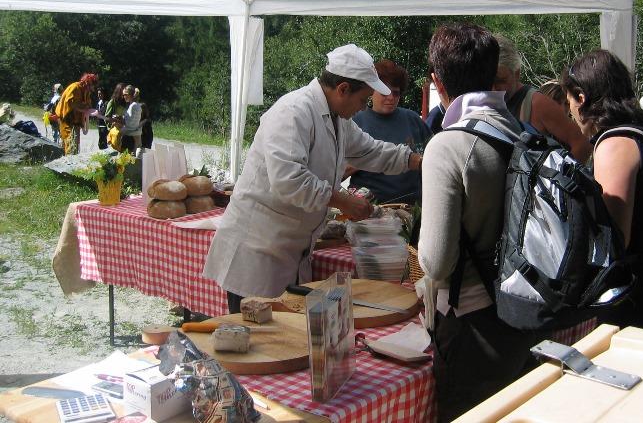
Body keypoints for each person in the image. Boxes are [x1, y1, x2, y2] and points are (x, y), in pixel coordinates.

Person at [203, 44, 423, 313]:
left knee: (285, 339)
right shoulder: (293, 111)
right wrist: (342, 201)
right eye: (363, 99)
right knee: (259, 345)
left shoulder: (338, 118)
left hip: (289, 253)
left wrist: (414, 160)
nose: (363, 107)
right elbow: (289, 180)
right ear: (343, 89)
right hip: (258, 253)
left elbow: (369, 150)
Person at [419, 24, 567, 421]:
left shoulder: (448, 145)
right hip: (523, 309)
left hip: (473, 325)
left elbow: (436, 262)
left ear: (437, 82)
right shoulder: (518, 132)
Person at [561, 49, 643, 331]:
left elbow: (613, 237)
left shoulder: (615, 142)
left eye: (570, 104)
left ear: (581, 97)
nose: (571, 114)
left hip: (637, 297)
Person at [493, 34, 591, 162]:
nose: (493, 88)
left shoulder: (536, 103)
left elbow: (582, 144)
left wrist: (560, 179)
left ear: (517, 73)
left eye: (501, 80)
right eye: (489, 80)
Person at [347, 59, 432, 205]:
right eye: (384, 92)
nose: (391, 97)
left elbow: (433, 160)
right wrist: (361, 161)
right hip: (368, 209)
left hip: (411, 207)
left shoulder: (413, 120)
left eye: (396, 93)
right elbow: (331, 174)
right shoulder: (353, 122)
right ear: (371, 91)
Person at [54, 73, 99, 155]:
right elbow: (71, 103)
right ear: (87, 82)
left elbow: (88, 104)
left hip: (76, 121)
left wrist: (88, 108)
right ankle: (68, 163)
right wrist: (83, 106)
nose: (93, 89)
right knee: (70, 142)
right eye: (92, 85)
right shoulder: (75, 87)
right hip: (66, 118)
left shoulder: (86, 91)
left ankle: (71, 161)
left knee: (75, 144)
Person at [120, 85, 142, 152]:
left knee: (126, 160)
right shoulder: (134, 105)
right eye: (123, 95)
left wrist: (120, 120)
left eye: (126, 94)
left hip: (130, 136)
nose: (124, 97)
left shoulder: (133, 106)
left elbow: (130, 124)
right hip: (133, 135)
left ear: (131, 94)